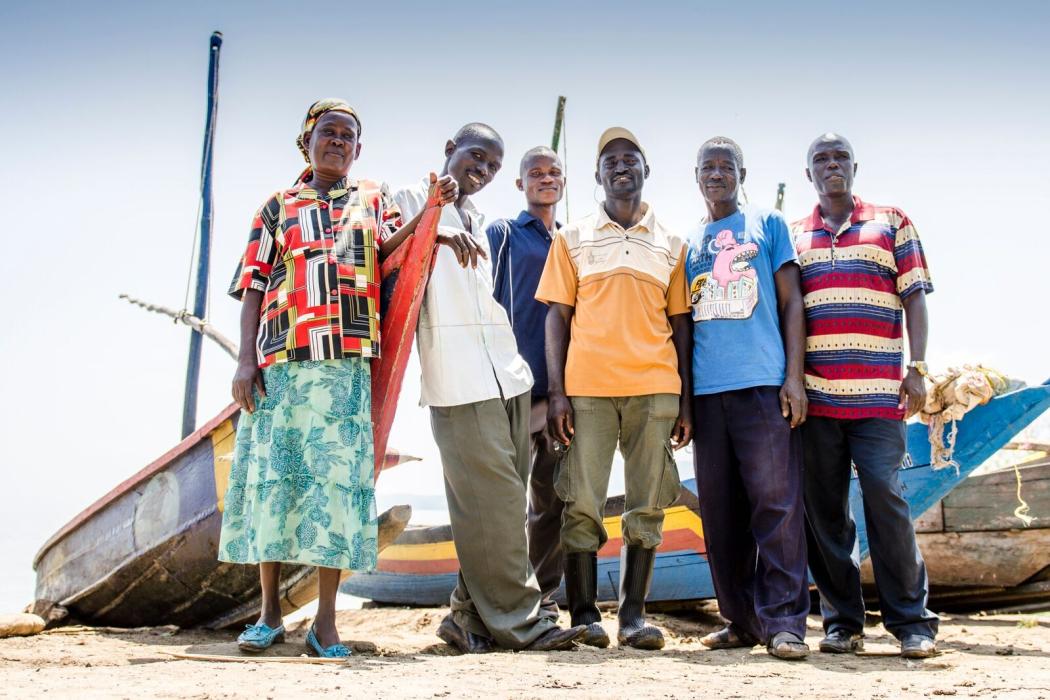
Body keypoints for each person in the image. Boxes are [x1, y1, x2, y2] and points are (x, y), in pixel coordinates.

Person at [220, 98, 458, 658]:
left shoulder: (370, 198)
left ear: (358, 148)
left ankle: (325, 623)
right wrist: (245, 360)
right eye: (329, 132)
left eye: (349, 135)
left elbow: (389, 253)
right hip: (283, 361)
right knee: (275, 484)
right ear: (307, 141)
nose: (339, 142)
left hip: (347, 362)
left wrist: (430, 210)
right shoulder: (278, 206)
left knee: (336, 489)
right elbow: (253, 285)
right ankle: (269, 615)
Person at [394, 123, 585, 653]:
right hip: (458, 378)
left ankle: (466, 618)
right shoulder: (410, 196)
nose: (482, 169)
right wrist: (431, 221)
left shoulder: (478, 220)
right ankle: (526, 623)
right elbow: (380, 259)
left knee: (491, 505)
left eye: (492, 165)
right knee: (499, 503)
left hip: (508, 374)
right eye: (476, 156)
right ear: (449, 149)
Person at [537, 127, 692, 650]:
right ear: (597, 177)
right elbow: (556, 318)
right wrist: (558, 393)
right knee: (581, 501)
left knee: (646, 504)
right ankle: (583, 614)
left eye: (630, 159)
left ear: (646, 170)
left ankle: (633, 617)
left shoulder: (673, 243)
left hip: (654, 388)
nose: (621, 167)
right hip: (587, 391)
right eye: (610, 161)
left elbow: (683, 326)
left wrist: (686, 399)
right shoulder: (572, 237)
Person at [792, 132, 939, 659]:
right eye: (820, 160)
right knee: (825, 512)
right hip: (817, 397)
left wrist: (917, 368)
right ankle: (842, 623)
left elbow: (915, 299)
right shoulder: (794, 236)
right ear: (808, 173)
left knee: (886, 500)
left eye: (839, 157)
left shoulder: (891, 221)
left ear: (854, 166)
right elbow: (790, 315)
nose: (831, 165)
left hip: (880, 395)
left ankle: (912, 622)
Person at [687, 136, 811, 660]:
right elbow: (684, 326)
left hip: (763, 385)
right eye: (707, 167)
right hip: (708, 392)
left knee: (776, 504)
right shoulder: (690, 243)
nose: (717, 174)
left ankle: (784, 622)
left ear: (742, 173)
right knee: (719, 512)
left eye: (726, 166)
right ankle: (739, 619)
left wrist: (794, 377)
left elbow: (792, 303)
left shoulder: (769, 225)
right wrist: (685, 403)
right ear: (696, 176)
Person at [485, 146, 565, 615]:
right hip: (511, 388)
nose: (545, 178)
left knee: (552, 500)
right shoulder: (506, 234)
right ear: (520, 184)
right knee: (503, 501)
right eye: (535, 172)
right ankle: (496, 599)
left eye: (554, 172)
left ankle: (546, 601)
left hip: (561, 393)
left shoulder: (571, 243)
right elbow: (486, 301)